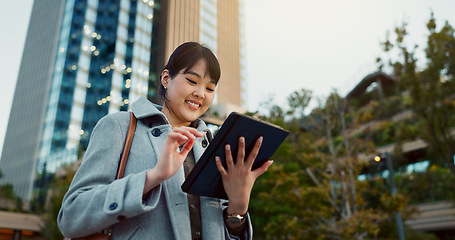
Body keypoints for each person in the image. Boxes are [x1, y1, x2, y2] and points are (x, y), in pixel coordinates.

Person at [57, 42, 273, 239]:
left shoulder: (212, 146)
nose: (200, 93)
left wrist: (238, 210)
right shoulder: (119, 126)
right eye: (191, 81)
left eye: (209, 88)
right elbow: (71, 217)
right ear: (166, 78)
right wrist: (152, 178)